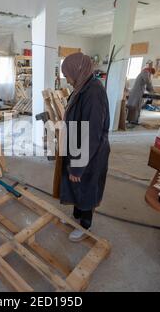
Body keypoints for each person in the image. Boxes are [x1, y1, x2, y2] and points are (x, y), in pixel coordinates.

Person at [55, 52, 110, 242]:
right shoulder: (82, 86)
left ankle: (85, 225)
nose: (67, 80)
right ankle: (77, 216)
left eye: (67, 76)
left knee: (87, 186)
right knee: (76, 184)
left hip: (90, 151)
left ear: (77, 71)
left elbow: (92, 134)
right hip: (77, 146)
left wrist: (78, 165)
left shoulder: (93, 92)